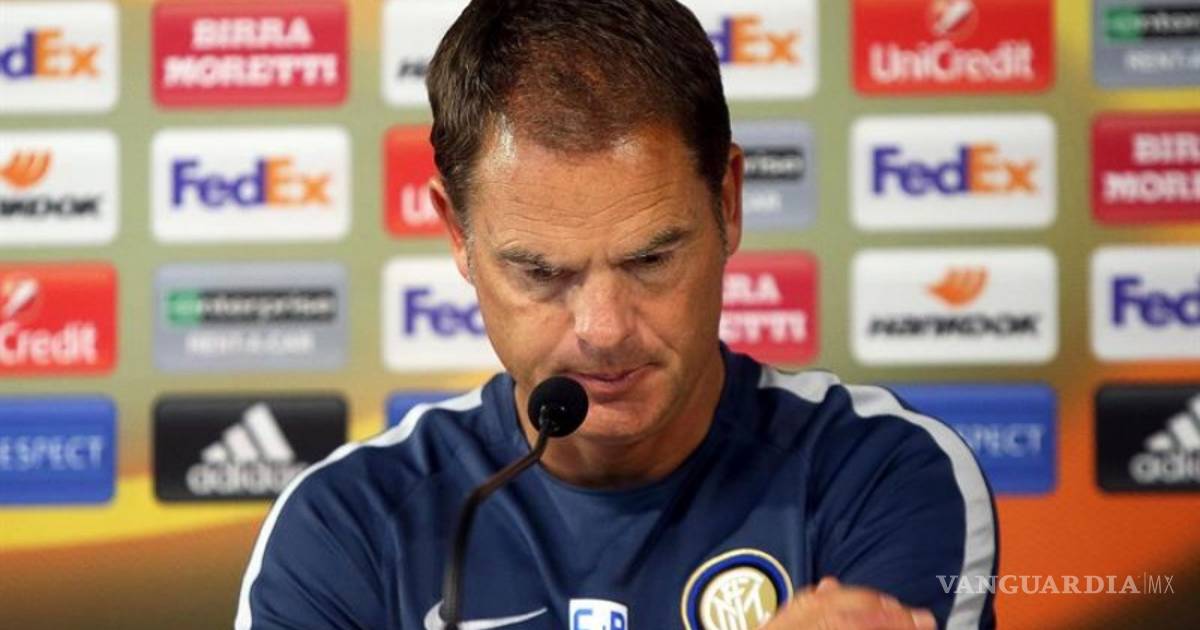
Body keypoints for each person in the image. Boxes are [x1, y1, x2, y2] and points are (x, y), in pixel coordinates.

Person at [234, 1, 998, 628]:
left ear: (729, 203)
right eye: (541, 273)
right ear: (458, 235)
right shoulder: (345, 525)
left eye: (650, 259)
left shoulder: (887, 473)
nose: (603, 329)